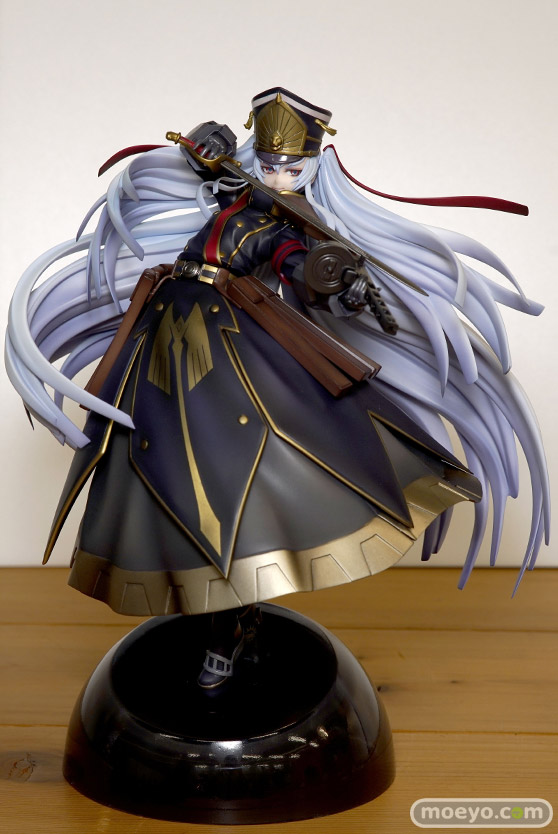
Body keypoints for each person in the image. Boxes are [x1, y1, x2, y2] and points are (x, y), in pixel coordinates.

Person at [6, 87, 549, 689]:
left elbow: (300, 266)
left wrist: (336, 282)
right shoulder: (236, 194)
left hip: (222, 339)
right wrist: (206, 145)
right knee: (143, 459)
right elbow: (201, 159)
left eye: (291, 169)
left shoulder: (282, 227)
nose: (276, 176)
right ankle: (201, 601)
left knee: (230, 478)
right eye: (267, 164)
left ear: (313, 168)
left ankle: (228, 622)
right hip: (165, 327)